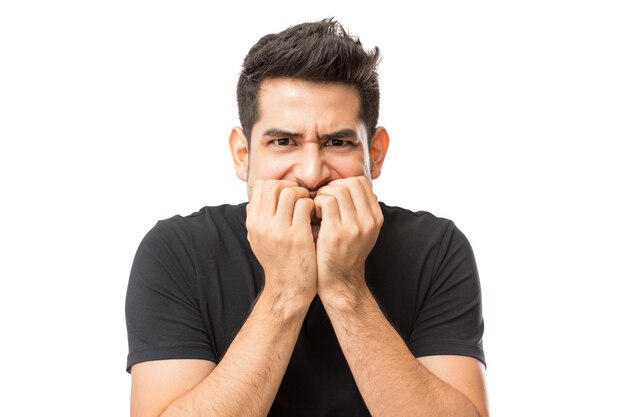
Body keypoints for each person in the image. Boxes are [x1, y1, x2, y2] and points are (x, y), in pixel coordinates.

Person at [126, 18, 488, 417]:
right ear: (242, 155)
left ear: (376, 154)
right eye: (283, 142)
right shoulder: (177, 251)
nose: (312, 173)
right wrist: (285, 292)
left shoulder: (435, 248)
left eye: (338, 142)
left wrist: (345, 289)